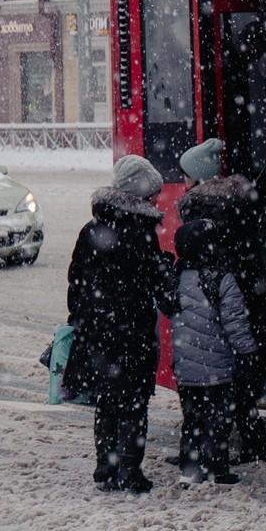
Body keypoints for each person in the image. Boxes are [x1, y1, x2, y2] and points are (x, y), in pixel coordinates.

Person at [66, 154, 178, 494]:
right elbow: (156, 283)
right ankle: (130, 471)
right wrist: (166, 269)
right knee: (133, 402)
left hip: (99, 332)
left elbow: (77, 281)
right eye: (153, 194)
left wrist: (82, 320)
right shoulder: (140, 233)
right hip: (132, 332)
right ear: (140, 195)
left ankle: (106, 468)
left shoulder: (92, 230)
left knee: (108, 401)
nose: (157, 200)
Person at [178, 137, 266, 464]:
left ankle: (207, 453)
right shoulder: (238, 201)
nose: (183, 183)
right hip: (242, 291)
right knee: (238, 379)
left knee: (211, 382)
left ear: (198, 177)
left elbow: (195, 254)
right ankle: (254, 444)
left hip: (213, 298)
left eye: (186, 176)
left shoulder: (198, 207)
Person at [170, 217, 258, 484]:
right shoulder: (222, 279)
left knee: (192, 419)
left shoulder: (176, 277)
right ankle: (217, 468)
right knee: (218, 420)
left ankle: (190, 467)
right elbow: (235, 323)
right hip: (217, 368)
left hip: (186, 367)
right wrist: (247, 352)